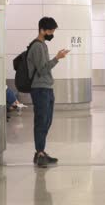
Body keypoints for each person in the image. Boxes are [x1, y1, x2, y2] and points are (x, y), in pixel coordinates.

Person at [28, 17, 69, 168]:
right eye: (50, 31)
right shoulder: (37, 47)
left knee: (47, 121)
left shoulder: (43, 45)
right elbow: (43, 69)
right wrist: (57, 58)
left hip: (46, 88)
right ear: (42, 30)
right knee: (41, 121)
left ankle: (41, 151)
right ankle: (39, 153)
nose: (52, 34)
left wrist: (57, 57)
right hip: (40, 89)